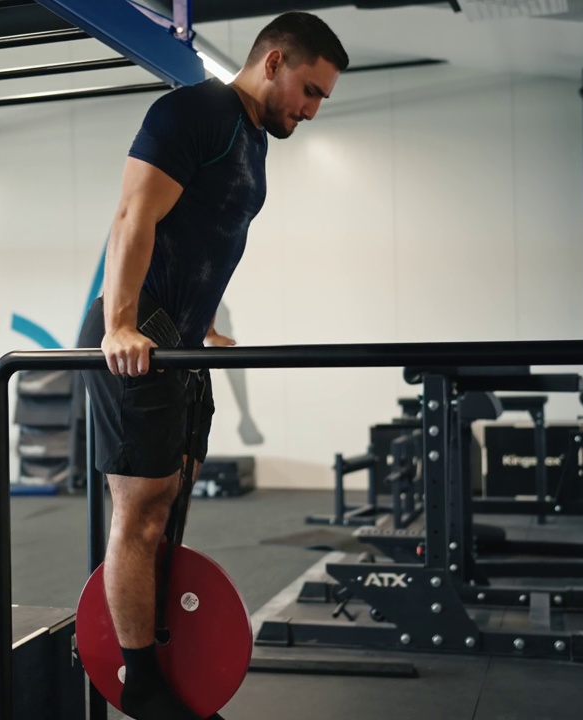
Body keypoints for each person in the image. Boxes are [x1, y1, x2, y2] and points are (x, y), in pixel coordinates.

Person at [76, 12, 348, 720]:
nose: (312, 110)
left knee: (175, 499)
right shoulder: (193, 111)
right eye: (310, 90)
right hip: (137, 339)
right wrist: (122, 325)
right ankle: (141, 681)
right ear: (274, 60)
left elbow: (202, 235)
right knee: (141, 512)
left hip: (178, 338)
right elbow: (133, 218)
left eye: (320, 99)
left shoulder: (254, 139)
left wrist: (201, 326)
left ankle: (164, 665)